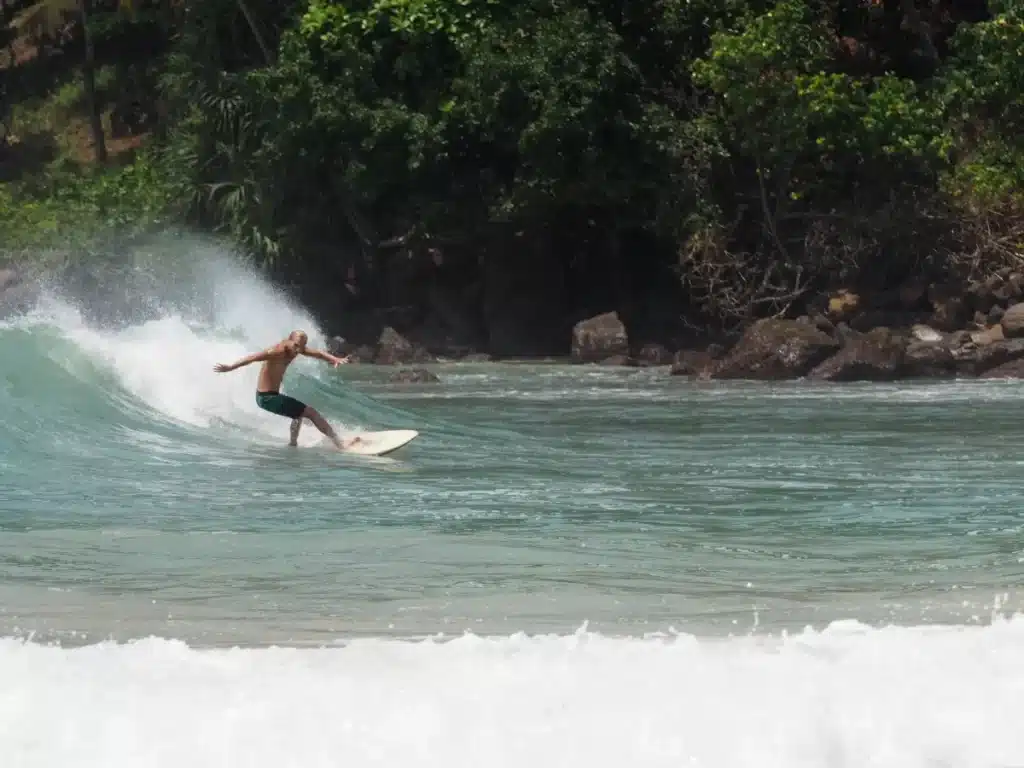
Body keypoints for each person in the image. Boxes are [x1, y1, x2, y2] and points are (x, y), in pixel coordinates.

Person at [214, 330, 360, 449]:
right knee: (311, 413)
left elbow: (319, 354)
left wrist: (334, 359)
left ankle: (292, 444)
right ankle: (340, 444)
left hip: (271, 395)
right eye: (296, 345)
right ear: (289, 340)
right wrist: (230, 367)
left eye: (301, 347)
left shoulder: (295, 349)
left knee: (297, 415)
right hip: (266, 397)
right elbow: (251, 358)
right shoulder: (276, 351)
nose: (298, 350)